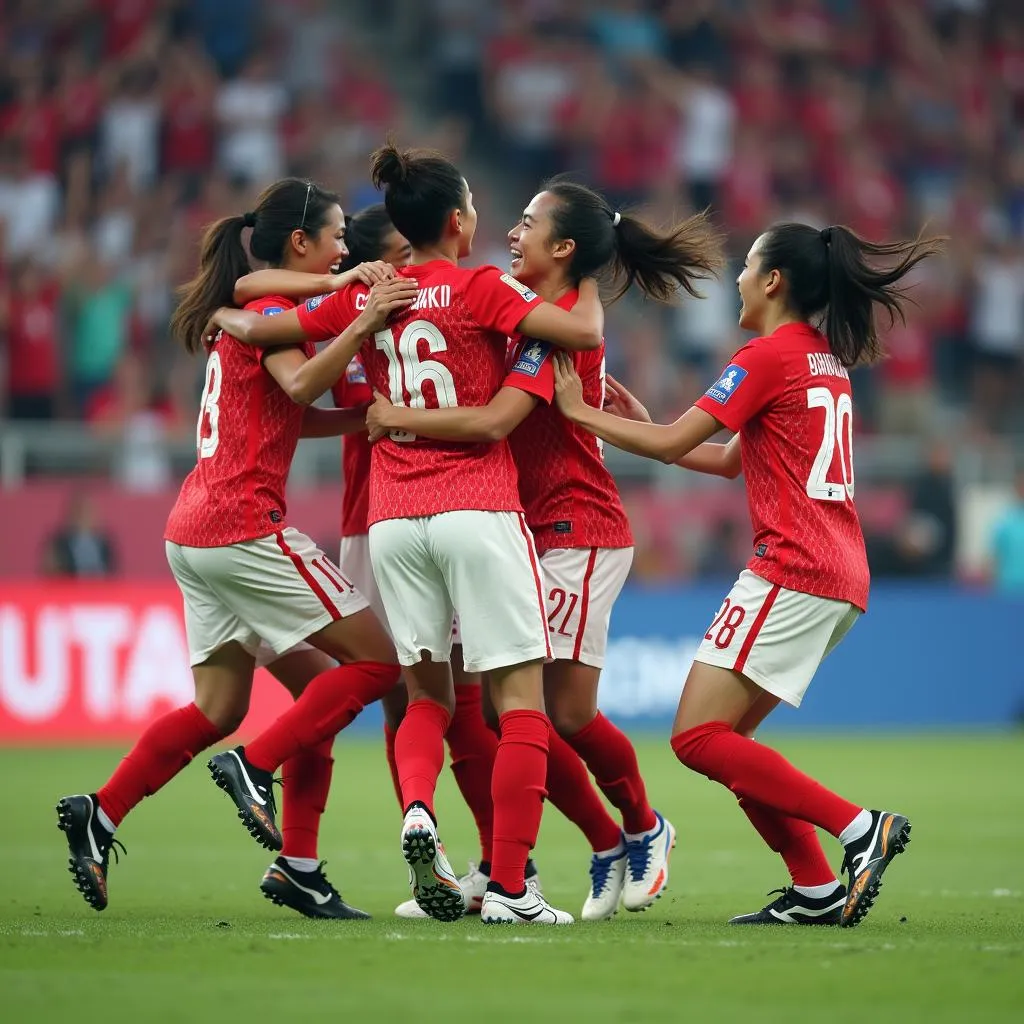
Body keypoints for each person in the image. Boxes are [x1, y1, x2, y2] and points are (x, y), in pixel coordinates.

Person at [207, 142, 608, 926]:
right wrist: (589, 275)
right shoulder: (482, 286)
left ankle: (419, 810)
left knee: (421, 696)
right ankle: (513, 889)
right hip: (478, 510)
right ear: (458, 221)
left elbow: (260, 320)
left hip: (393, 521)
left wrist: (225, 313)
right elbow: (576, 335)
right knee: (517, 702)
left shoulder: (374, 294)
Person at [551, 221, 942, 928]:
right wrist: (649, 424)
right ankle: (817, 888)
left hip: (792, 568)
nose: (735, 277)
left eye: (746, 265)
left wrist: (580, 414)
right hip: (837, 571)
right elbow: (729, 459)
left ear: (773, 282)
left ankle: (859, 829)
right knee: (728, 744)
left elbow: (674, 442)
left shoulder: (767, 356)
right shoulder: (824, 361)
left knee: (696, 739)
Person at [364, 177, 722, 919]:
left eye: (528, 224)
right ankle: (573, 850)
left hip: (576, 529)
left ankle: (637, 827)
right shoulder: (540, 315)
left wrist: (393, 416)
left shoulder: (552, 324)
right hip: (525, 527)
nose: (512, 232)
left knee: (555, 713)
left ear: (562, 248)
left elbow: (503, 414)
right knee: (521, 713)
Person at [56, 177, 413, 916]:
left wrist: (364, 420)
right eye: (338, 235)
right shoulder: (275, 309)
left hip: (193, 531)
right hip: (244, 525)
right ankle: (254, 769)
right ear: (300, 242)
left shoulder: (256, 302)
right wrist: (360, 316)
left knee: (233, 703)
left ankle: (109, 811)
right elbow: (306, 378)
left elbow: (289, 406)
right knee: (378, 663)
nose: (346, 247)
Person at [233, 204, 512, 919]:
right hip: (425, 511)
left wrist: (241, 319)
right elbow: (251, 302)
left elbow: (246, 300)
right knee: (450, 701)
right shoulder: (369, 300)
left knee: (399, 700)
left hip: (376, 525)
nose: (402, 267)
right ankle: (501, 866)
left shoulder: (341, 307)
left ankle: (397, 853)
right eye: (389, 255)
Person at [42, 489, 117, 577]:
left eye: (88, 511)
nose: (84, 516)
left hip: (100, 589)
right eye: (80, 511)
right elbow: (50, 572)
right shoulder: (58, 544)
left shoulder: (104, 544)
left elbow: (113, 572)